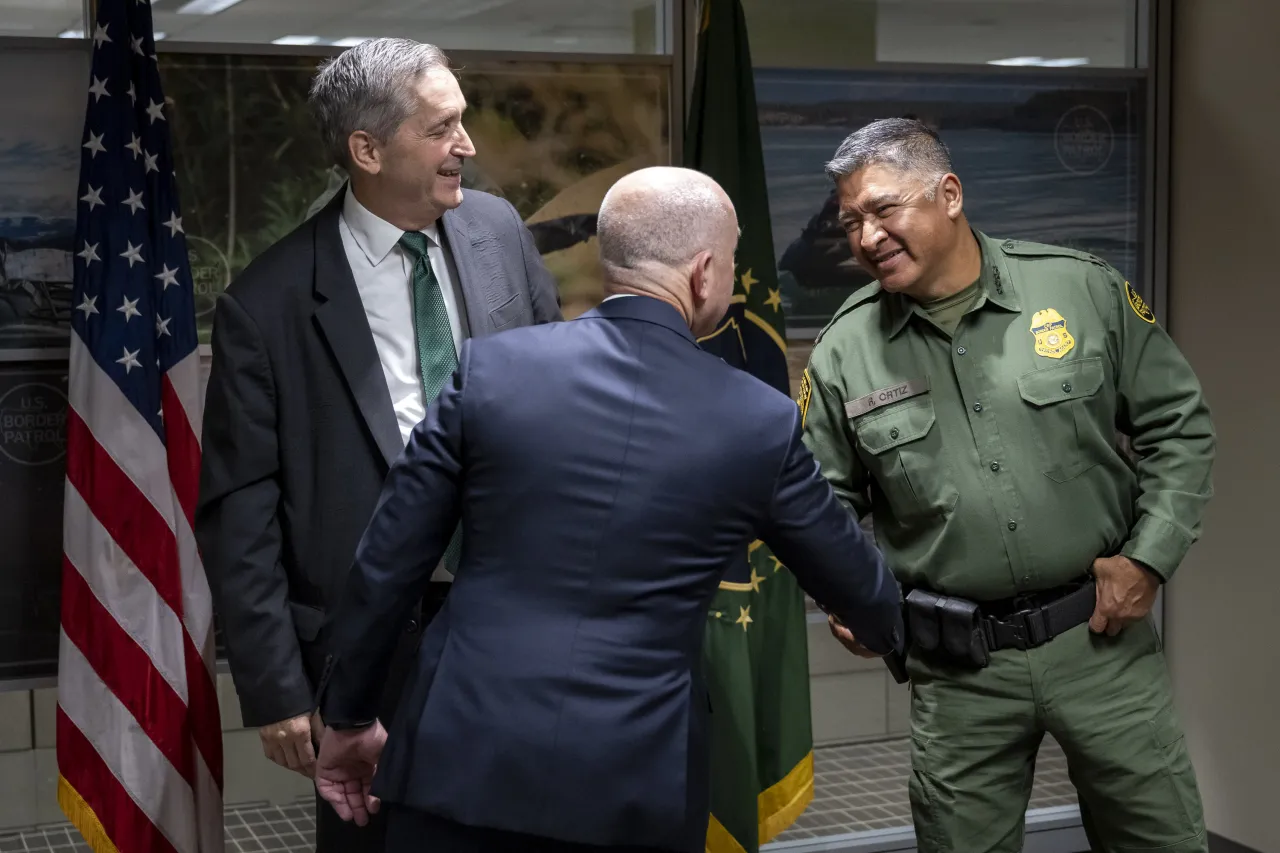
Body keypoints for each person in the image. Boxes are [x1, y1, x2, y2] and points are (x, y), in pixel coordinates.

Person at [311, 166, 906, 853]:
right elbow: (861, 589)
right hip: (634, 788)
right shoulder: (757, 420)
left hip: (459, 762)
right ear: (705, 271)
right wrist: (885, 628)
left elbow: (386, 562)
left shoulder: (489, 372)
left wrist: (349, 715)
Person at [800, 118, 1214, 853]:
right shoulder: (844, 351)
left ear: (948, 194)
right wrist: (849, 597)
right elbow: (822, 504)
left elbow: (1178, 426)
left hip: (1100, 643)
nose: (865, 238)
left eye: (883, 209)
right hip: (959, 670)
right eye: (851, 221)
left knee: (1162, 839)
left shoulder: (1079, 290)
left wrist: (1149, 558)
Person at [194, 37, 562, 853]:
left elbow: (560, 409)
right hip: (369, 651)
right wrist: (277, 690)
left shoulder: (498, 231)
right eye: (442, 128)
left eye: (463, 122)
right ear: (366, 150)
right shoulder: (268, 305)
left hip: (520, 617)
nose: (467, 145)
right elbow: (240, 512)